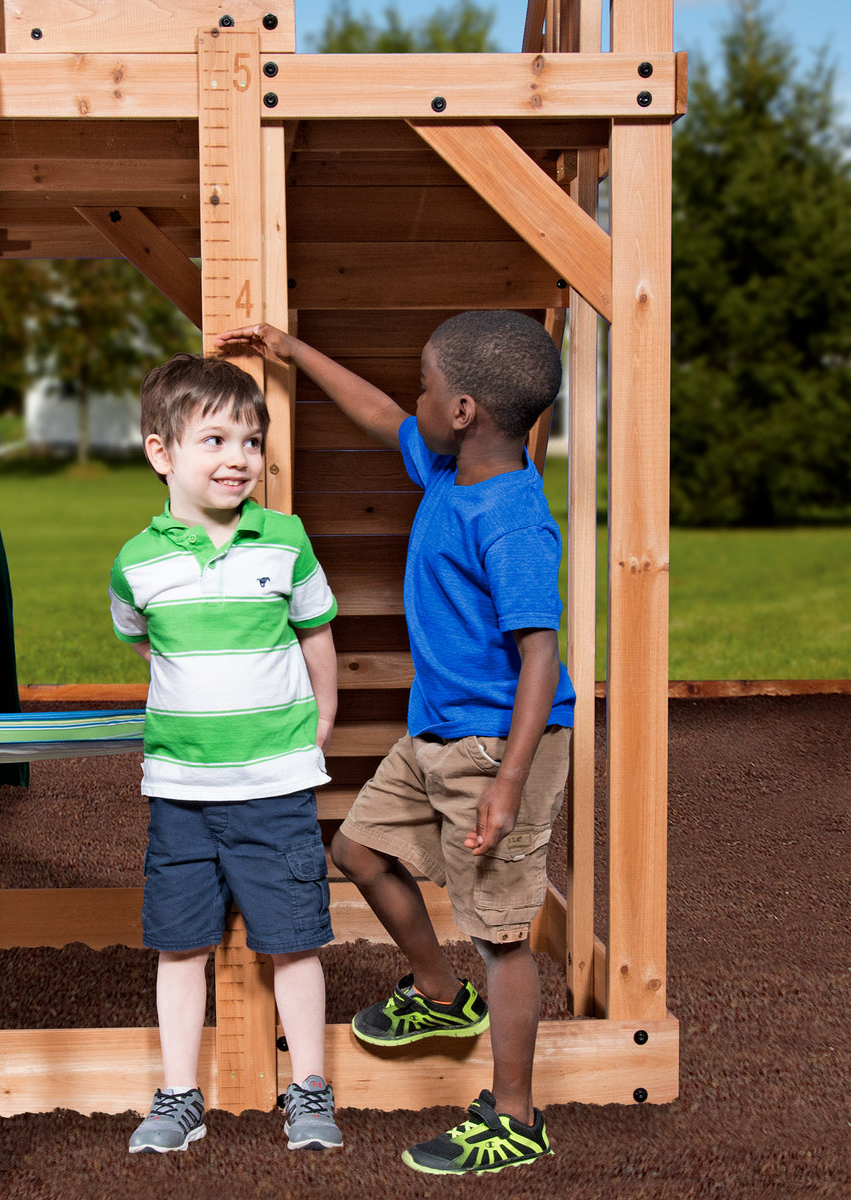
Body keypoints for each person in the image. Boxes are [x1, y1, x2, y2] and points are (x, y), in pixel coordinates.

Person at [217, 311, 574, 1176]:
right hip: (438, 732)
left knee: (501, 935)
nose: (411, 399)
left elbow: (540, 655)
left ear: (462, 410)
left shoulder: (513, 519)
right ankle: (441, 995)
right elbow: (382, 414)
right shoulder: (451, 466)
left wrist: (509, 782)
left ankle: (515, 1119)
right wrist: (293, 351)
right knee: (358, 849)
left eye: (424, 385)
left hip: (499, 748)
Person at [110, 352, 343, 1155]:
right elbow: (144, 640)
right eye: (214, 440)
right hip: (180, 791)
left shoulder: (285, 540)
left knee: (294, 940)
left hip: (275, 786)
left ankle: (309, 1089)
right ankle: (179, 1096)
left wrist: (324, 714)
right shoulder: (137, 563)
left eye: (250, 441)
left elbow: (316, 632)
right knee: (180, 945)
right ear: (162, 452)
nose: (238, 458)